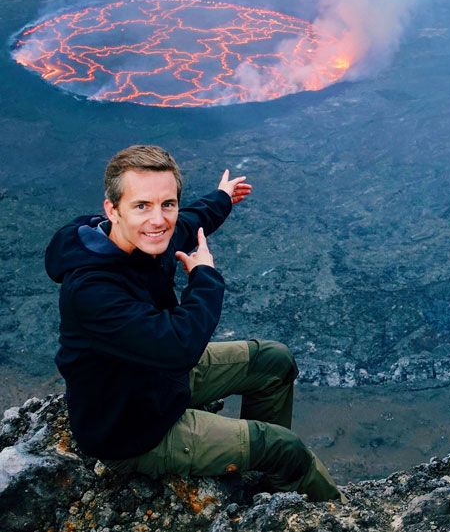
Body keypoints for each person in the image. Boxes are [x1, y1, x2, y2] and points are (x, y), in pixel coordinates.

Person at [46, 144, 341, 501]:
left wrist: (222, 198)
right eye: (142, 205)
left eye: (167, 203)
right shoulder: (92, 291)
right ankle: (324, 507)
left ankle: (268, 484)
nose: (158, 219)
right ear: (113, 210)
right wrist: (204, 276)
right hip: (130, 430)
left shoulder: (136, 237)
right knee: (287, 448)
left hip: (156, 383)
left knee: (274, 361)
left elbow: (187, 223)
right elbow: (179, 347)